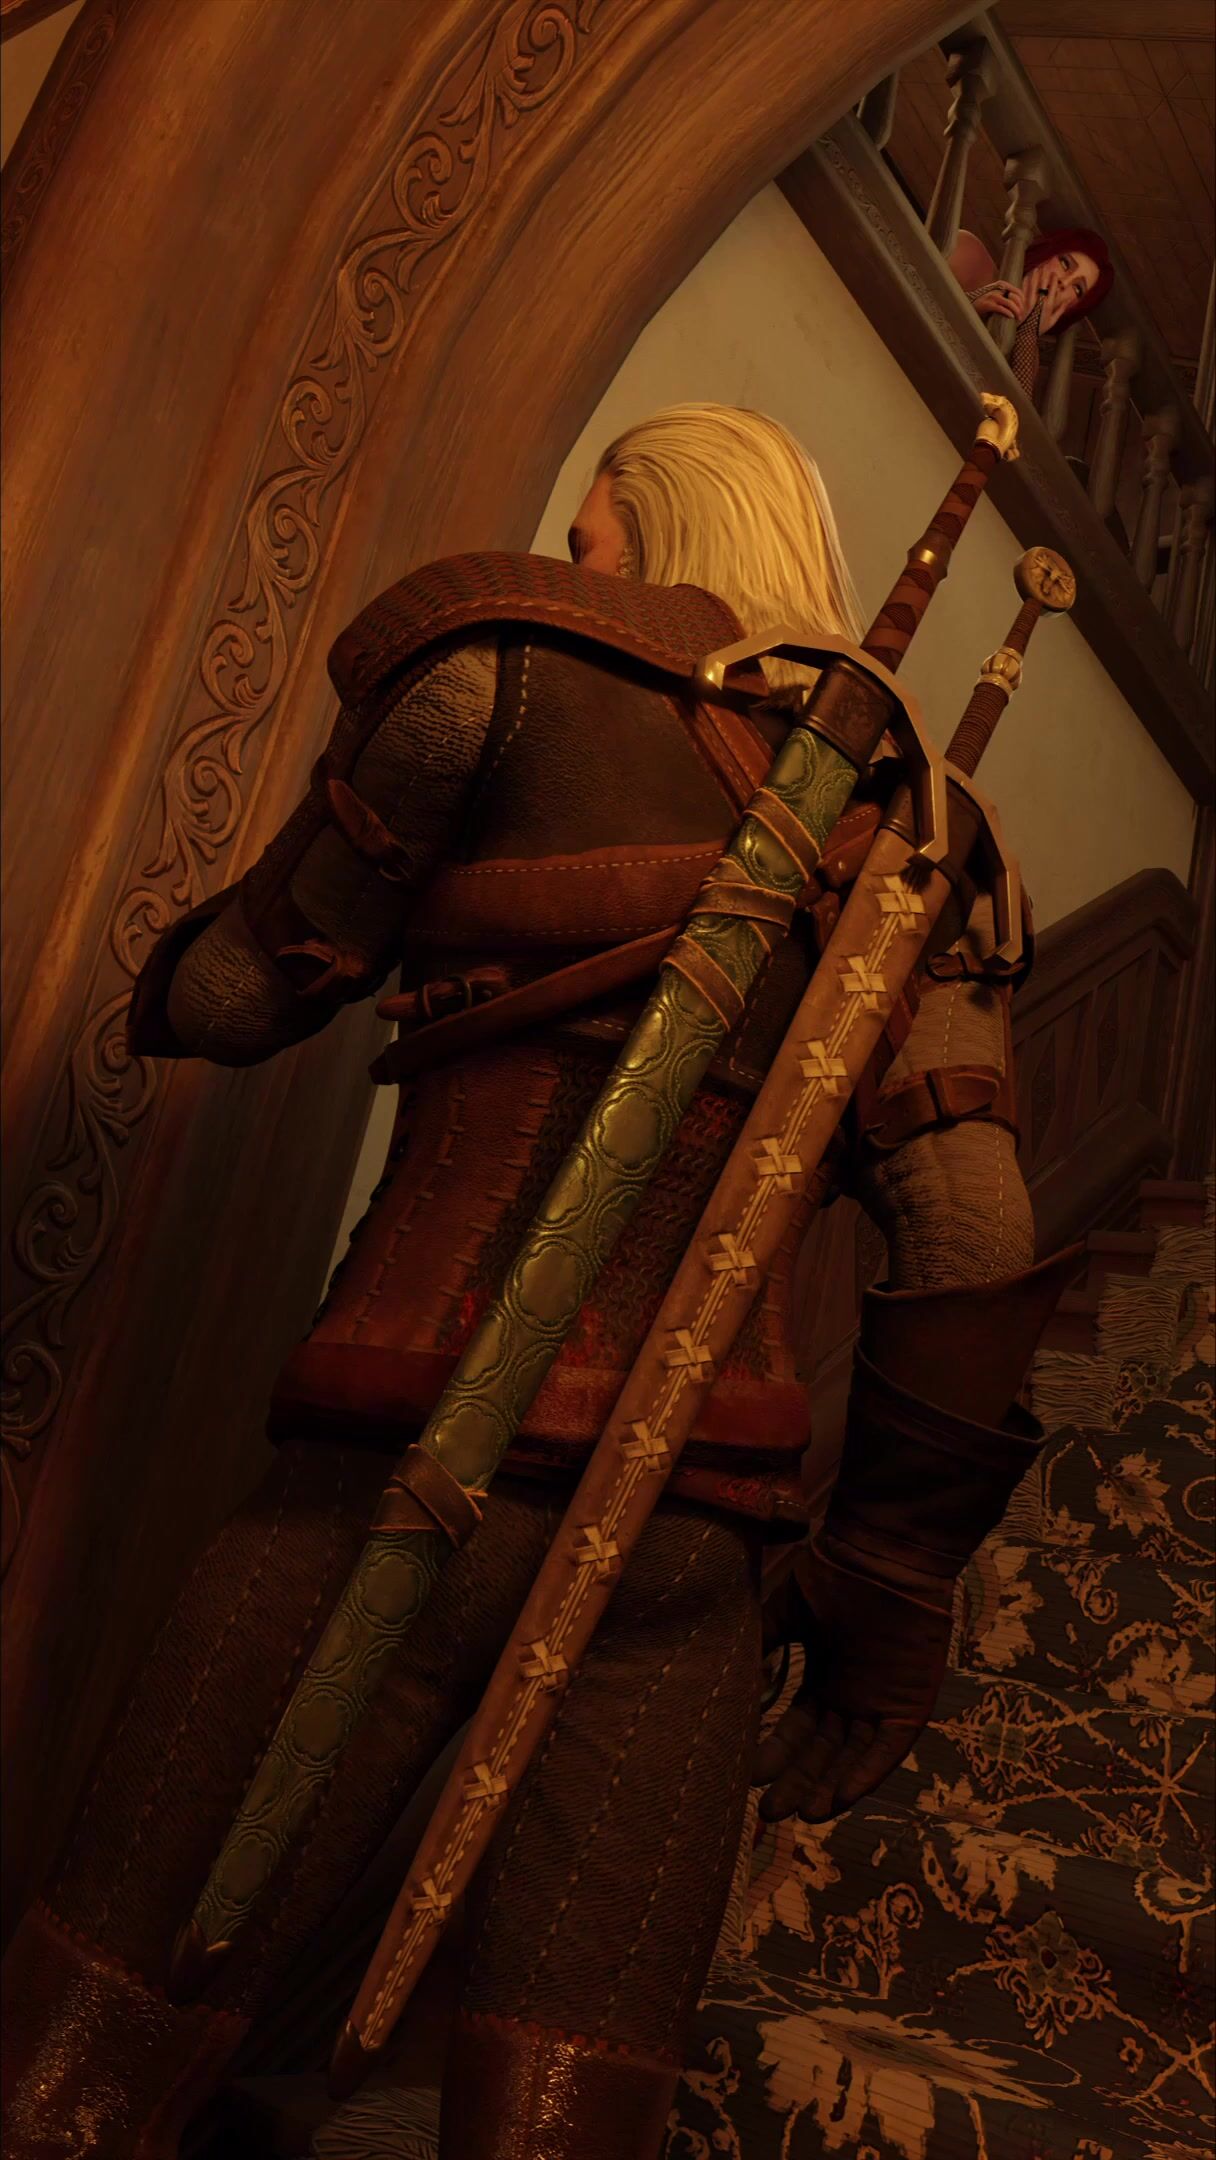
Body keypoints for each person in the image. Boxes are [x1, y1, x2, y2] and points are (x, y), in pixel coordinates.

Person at [1, 404, 1075, 2160]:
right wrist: (886, 1587)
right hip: (685, 1562)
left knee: (87, 2059)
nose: (584, 563)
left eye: (593, 532)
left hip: (384, 1477)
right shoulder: (921, 839)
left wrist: (165, 953)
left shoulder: (495, 668)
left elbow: (231, 1000)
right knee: (560, 2121)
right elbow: (974, 1239)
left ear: (641, 522)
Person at [950, 224, 1114, 394]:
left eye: (1077, 288)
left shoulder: (1028, 353)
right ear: (1047, 252)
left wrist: (1027, 333)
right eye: (1065, 263)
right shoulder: (969, 253)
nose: (1063, 283)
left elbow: (1007, 406)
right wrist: (971, 304)